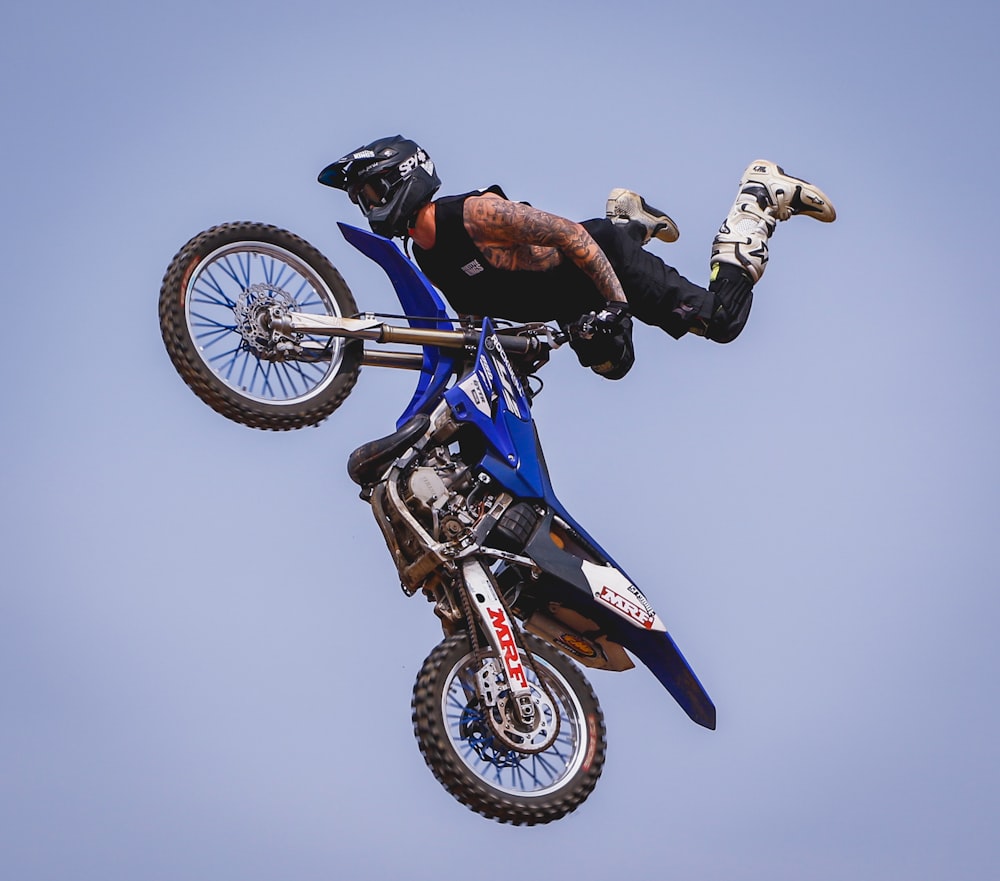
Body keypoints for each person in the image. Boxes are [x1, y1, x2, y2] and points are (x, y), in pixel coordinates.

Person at [318, 136, 836, 380]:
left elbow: (569, 236)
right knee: (615, 367)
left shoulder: (473, 214)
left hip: (597, 263)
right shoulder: (427, 256)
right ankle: (631, 219)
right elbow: (475, 322)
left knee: (720, 322)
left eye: (373, 190)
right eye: (360, 198)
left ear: (407, 175)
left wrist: (615, 302)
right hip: (569, 304)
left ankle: (756, 204)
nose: (369, 205)